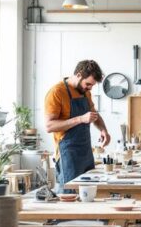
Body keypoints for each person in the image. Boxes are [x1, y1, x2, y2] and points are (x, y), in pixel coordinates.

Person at [44, 60, 111, 190]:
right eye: (88, 84)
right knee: (69, 194)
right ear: (79, 75)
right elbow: (49, 126)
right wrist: (80, 119)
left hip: (86, 152)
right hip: (68, 154)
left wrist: (103, 130)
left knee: (89, 193)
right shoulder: (57, 92)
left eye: (92, 86)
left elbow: (93, 114)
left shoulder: (85, 92)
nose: (89, 88)